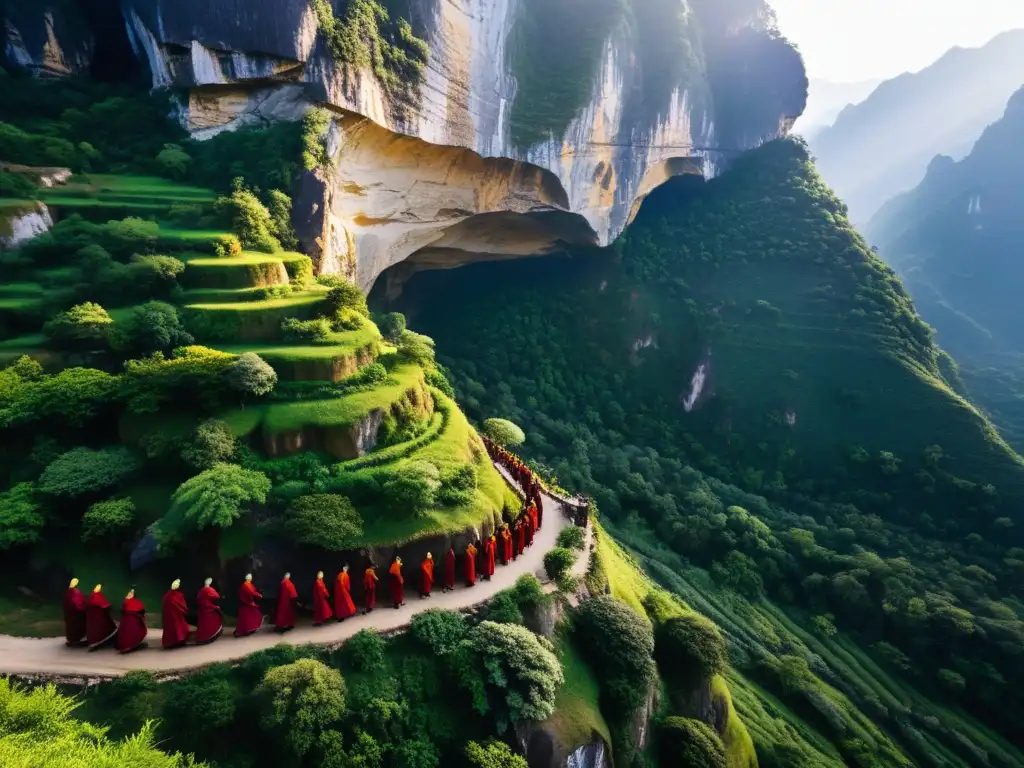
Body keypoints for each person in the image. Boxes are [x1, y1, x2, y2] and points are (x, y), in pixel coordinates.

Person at [85, 584, 117, 651]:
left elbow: (102, 603)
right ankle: (96, 641)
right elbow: (102, 604)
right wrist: (107, 605)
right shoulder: (96, 596)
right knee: (98, 629)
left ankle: (94, 641)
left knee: (94, 629)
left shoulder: (93, 596)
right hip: (97, 617)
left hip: (93, 618)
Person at [161, 579, 191, 649]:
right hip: (177, 615)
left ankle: (169, 644)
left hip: (168, 616)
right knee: (181, 628)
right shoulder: (179, 594)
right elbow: (182, 605)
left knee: (170, 629)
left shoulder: (166, 595)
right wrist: (184, 611)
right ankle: (179, 642)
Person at [116, 588, 147, 653]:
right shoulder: (126, 602)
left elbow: (141, 611)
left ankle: (128, 645)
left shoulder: (134, 602)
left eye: (131, 594)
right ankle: (127, 646)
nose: (129, 595)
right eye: (129, 593)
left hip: (132, 621)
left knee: (129, 632)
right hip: (126, 621)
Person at [195, 577, 223, 644]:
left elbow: (198, 599)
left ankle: (201, 638)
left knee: (202, 624)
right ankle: (209, 636)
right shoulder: (209, 590)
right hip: (209, 609)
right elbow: (217, 596)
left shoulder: (201, 591)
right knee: (215, 618)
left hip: (202, 610)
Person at [63, 577, 86, 646]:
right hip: (76, 612)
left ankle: (71, 639)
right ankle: (76, 639)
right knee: (77, 625)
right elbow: (77, 602)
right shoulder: (75, 592)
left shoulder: (68, 592)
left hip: (68, 613)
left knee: (70, 626)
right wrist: (82, 609)